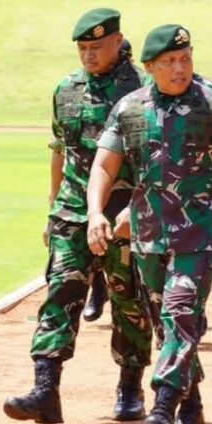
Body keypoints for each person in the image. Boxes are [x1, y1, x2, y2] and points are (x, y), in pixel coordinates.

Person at [87, 24, 212, 424]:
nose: (180, 69)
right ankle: (192, 405)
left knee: (181, 310)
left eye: (186, 59)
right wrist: (94, 213)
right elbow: (105, 166)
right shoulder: (129, 108)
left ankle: (163, 406)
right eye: (169, 63)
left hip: (200, 232)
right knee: (170, 324)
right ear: (149, 67)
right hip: (147, 235)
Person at [4, 8, 151, 424]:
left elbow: (152, 161)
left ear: (119, 41)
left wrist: (138, 212)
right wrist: (52, 211)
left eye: (96, 47)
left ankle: (130, 388)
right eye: (83, 49)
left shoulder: (142, 90)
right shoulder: (66, 89)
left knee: (129, 302)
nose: (88, 55)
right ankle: (45, 391)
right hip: (72, 212)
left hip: (123, 214)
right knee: (59, 295)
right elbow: (60, 152)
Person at [83, 40, 134, 324]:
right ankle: (98, 289)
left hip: (125, 188)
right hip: (88, 185)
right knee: (94, 248)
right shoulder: (84, 91)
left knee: (125, 256)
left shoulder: (136, 92)